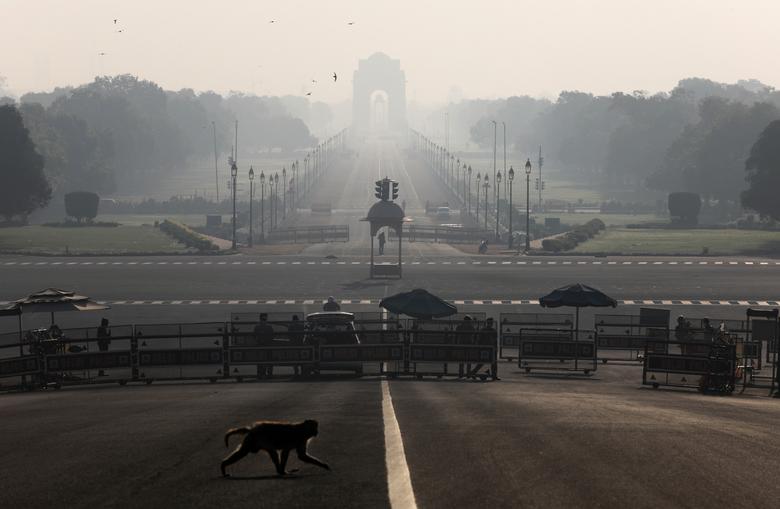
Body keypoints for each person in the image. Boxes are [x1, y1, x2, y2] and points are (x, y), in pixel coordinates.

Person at [253, 313, 276, 379]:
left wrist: (258, 340)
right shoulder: (269, 326)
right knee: (269, 360)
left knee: (260, 360)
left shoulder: (257, 326)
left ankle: (260, 374)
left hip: (260, 345)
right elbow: (272, 335)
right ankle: (269, 374)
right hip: (268, 345)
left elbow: (254, 335)